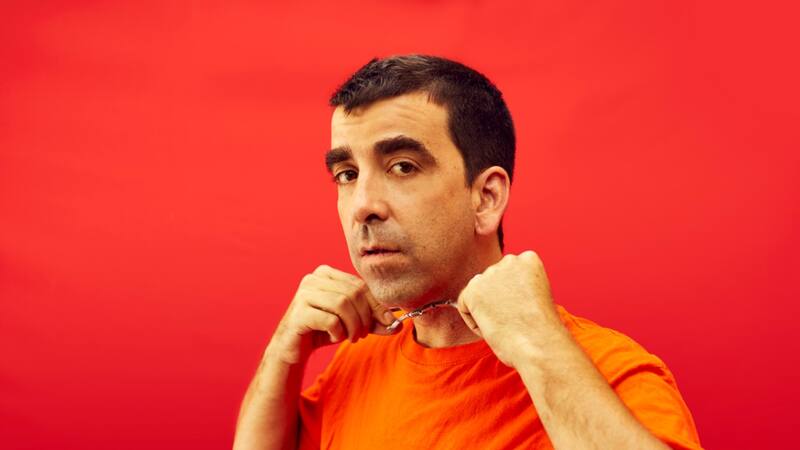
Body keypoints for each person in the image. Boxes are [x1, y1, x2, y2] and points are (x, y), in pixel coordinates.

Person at [232, 54, 702, 450]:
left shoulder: (613, 373)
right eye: (347, 175)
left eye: (402, 167)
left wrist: (537, 343)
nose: (363, 206)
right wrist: (283, 354)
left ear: (486, 198)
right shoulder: (358, 363)